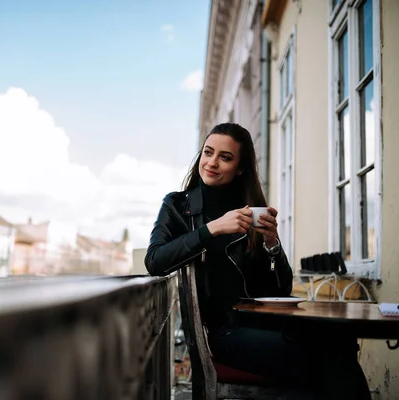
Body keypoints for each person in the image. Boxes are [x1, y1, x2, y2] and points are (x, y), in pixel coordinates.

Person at [145, 123, 370, 399]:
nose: (212, 163)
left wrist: (272, 244)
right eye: (208, 152)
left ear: (240, 168)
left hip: (264, 324)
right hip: (221, 333)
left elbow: (280, 289)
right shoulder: (177, 206)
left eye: (225, 157)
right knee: (333, 363)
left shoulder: (249, 209)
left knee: (339, 344)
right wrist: (211, 229)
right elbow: (154, 260)